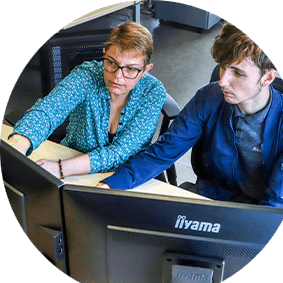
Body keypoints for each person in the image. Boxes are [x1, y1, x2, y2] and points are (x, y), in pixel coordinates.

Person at [98, 23, 283, 209]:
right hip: (207, 199)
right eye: (222, 67)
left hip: (253, 213)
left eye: (238, 73)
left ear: (268, 78)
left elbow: (277, 205)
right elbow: (163, 153)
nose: (222, 81)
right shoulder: (209, 97)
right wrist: (108, 185)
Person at [7, 22, 166, 178]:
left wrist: (61, 168)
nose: (117, 76)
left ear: (146, 69)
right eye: (111, 62)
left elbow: (120, 153)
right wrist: (19, 143)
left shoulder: (152, 92)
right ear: (104, 54)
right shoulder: (86, 75)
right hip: (74, 165)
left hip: (123, 177)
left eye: (131, 69)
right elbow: (49, 110)